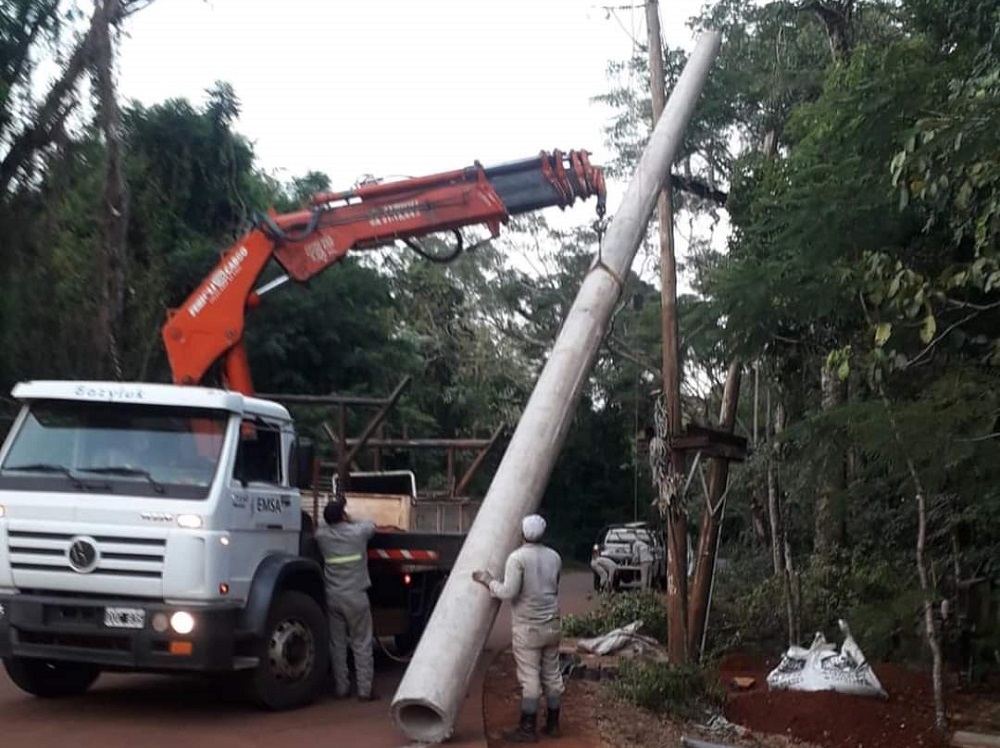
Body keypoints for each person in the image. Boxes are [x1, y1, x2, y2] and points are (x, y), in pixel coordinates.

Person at [472, 514, 564, 742]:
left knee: (529, 678)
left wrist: (488, 580)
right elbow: (555, 584)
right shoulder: (554, 557)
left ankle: (527, 728)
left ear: (522, 534)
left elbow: (508, 592)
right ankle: (553, 724)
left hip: (528, 628)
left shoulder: (517, 558)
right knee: (552, 674)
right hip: (552, 625)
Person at [313, 498, 378, 701]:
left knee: (337, 645)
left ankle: (342, 689)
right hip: (356, 597)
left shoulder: (322, 536)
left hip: (333, 597)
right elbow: (371, 525)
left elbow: (320, 528)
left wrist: (335, 519)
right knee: (361, 643)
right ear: (343, 515)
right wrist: (350, 519)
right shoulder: (357, 533)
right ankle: (365, 691)